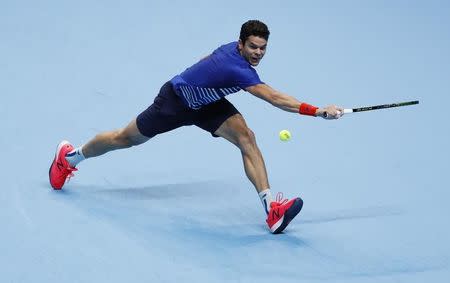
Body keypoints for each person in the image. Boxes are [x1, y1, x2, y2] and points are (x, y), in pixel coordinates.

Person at [49, 20, 344, 234]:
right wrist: (318, 111)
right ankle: (70, 157)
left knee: (247, 138)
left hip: (207, 104)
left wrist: (203, 82)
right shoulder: (237, 68)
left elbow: (205, 61)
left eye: (263, 48)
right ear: (240, 44)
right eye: (253, 47)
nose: (257, 53)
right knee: (125, 138)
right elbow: (276, 99)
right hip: (174, 102)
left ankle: (272, 210)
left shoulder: (233, 53)